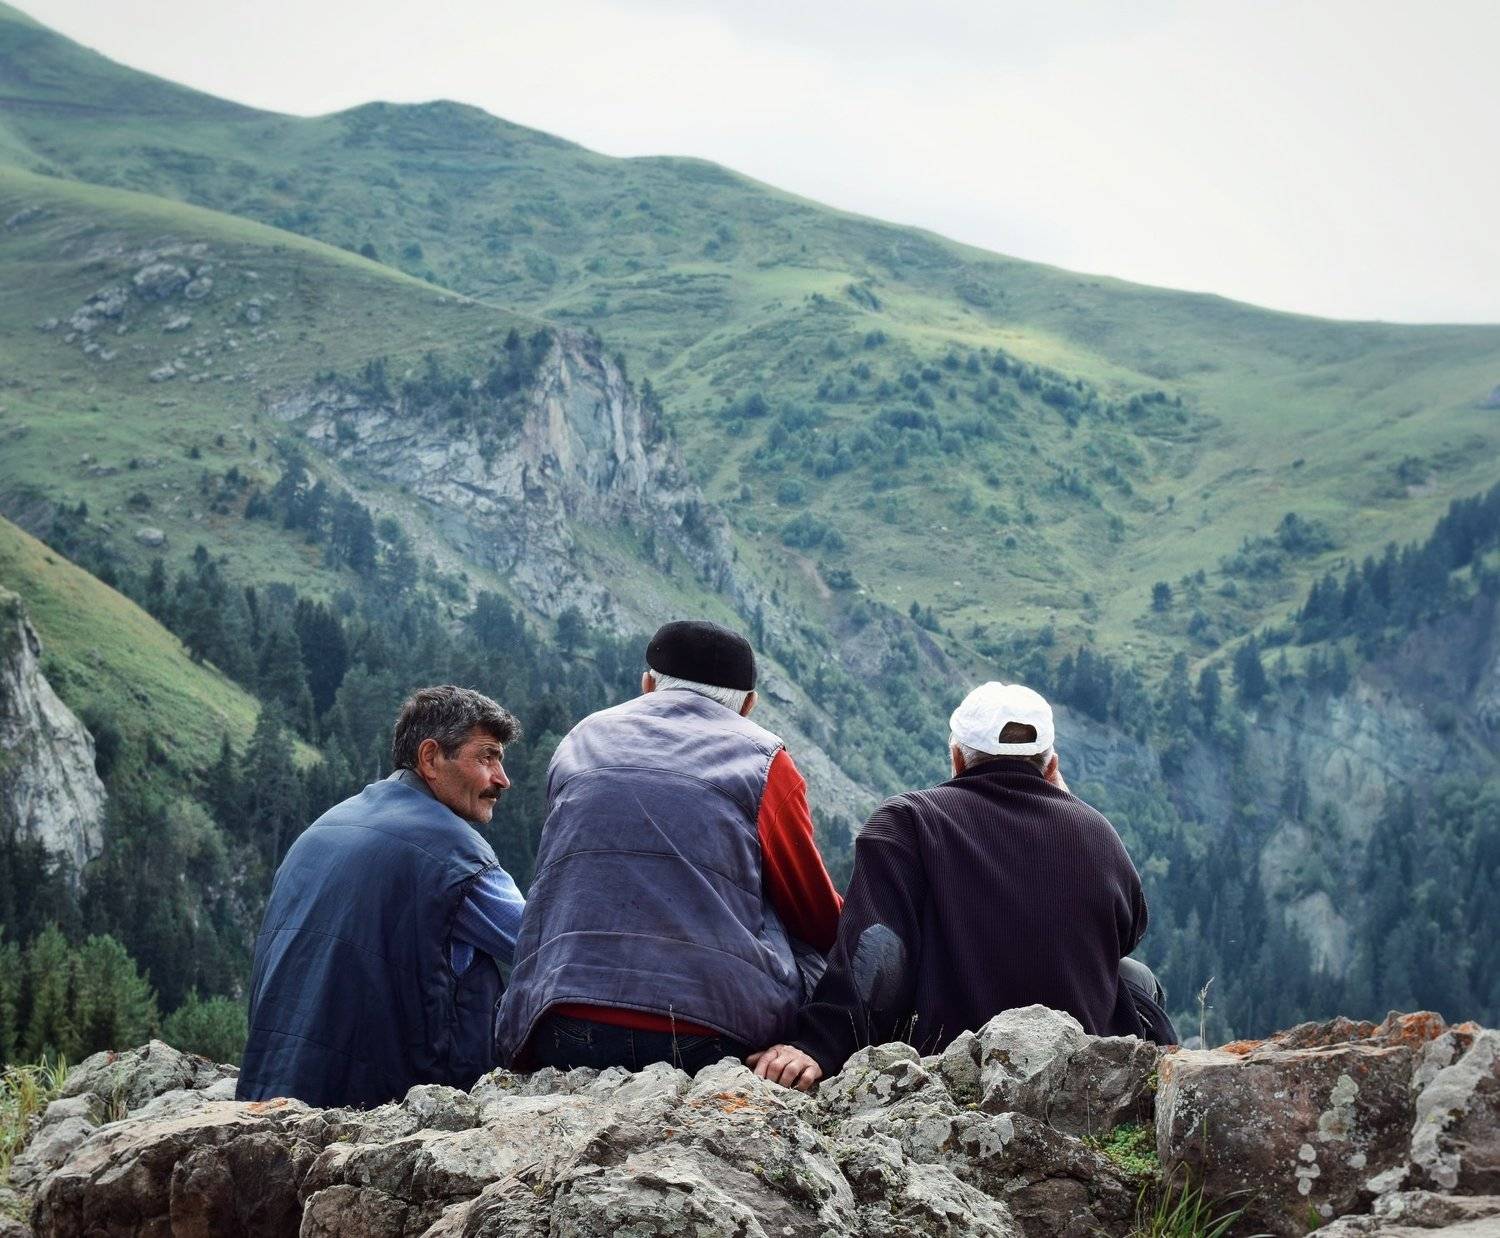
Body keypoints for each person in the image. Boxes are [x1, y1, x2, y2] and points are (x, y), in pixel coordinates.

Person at [750, 681, 1176, 1092]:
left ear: (957, 757)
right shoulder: (1097, 832)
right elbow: (1127, 934)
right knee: (1135, 977)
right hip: (1077, 1068)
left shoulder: (906, 821)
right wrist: (1072, 811)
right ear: (1051, 766)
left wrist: (820, 1045)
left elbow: (876, 952)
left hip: (955, 1059)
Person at [496, 619, 843, 1075]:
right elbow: (817, 918)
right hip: (707, 1035)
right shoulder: (765, 759)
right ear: (748, 705)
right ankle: (794, 1058)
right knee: (805, 948)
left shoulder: (581, 738)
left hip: (560, 1020)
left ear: (647, 684)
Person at [238, 685, 526, 1108]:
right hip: (385, 1108)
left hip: (270, 1092)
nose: (502, 779)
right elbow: (545, 944)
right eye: (487, 757)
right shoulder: (454, 854)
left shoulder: (321, 830)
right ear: (431, 758)